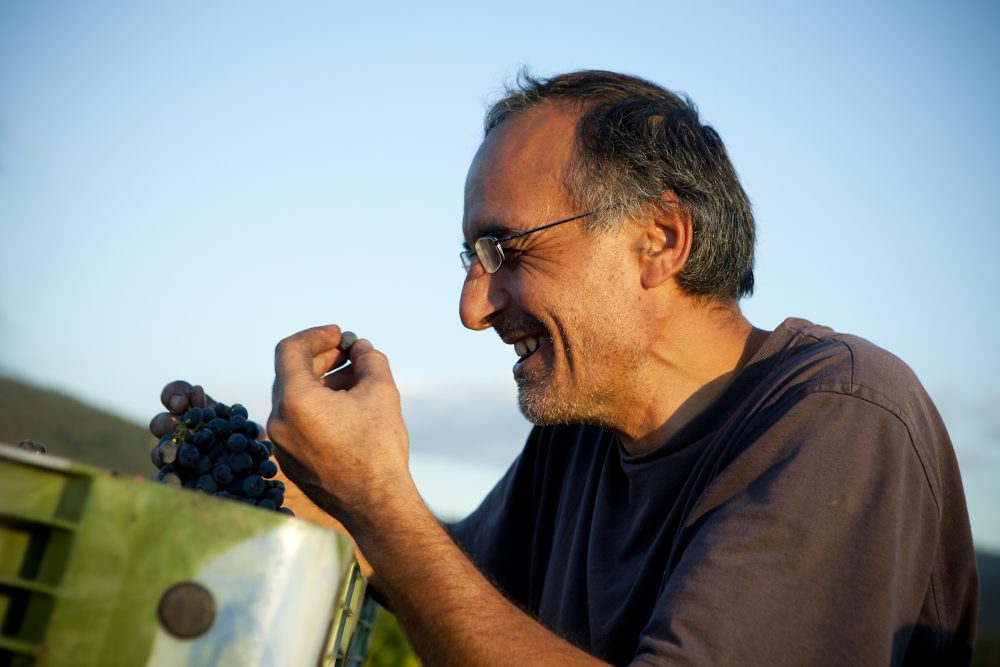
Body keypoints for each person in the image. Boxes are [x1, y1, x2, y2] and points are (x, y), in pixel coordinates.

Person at [152, 71, 978, 665]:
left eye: (504, 249)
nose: (472, 307)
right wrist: (282, 482)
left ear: (659, 240)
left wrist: (380, 498)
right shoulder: (581, 428)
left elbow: (412, 552)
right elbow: (447, 588)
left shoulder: (843, 415)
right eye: (472, 258)